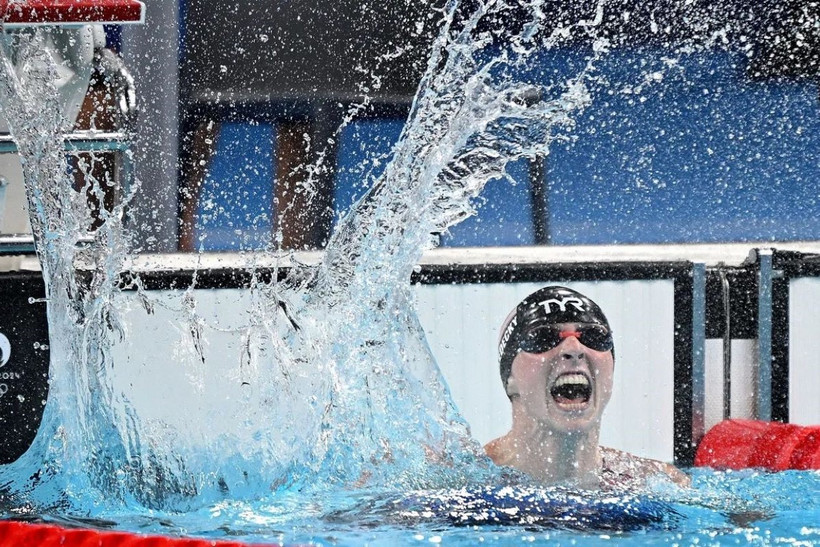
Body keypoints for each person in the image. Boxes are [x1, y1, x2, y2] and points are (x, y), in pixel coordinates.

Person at [484, 285, 690, 490]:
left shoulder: (659, 483)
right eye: (543, 338)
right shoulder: (471, 479)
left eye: (593, 337)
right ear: (510, 378)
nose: (574, 348)